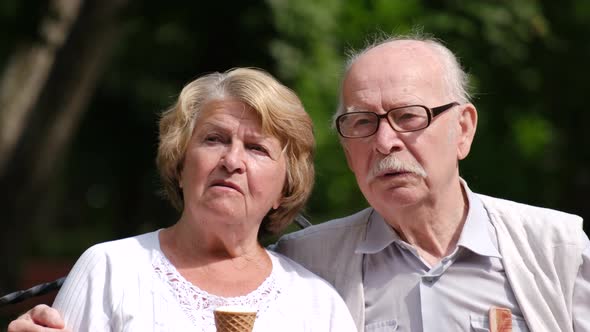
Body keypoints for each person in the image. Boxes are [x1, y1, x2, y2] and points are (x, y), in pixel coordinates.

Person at [9, 33, 590, 332]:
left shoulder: (561, 252)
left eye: (409, 117)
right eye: (363, 123)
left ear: (462, 129)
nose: (386, 141)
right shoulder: (315, 265)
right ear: (178, 158)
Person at [7, 67, 357, 332]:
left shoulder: (317, 305)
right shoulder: (111, 270)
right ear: (179, 163)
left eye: (256, 148)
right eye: (214, 139)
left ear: (285, 187)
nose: (232, 161)